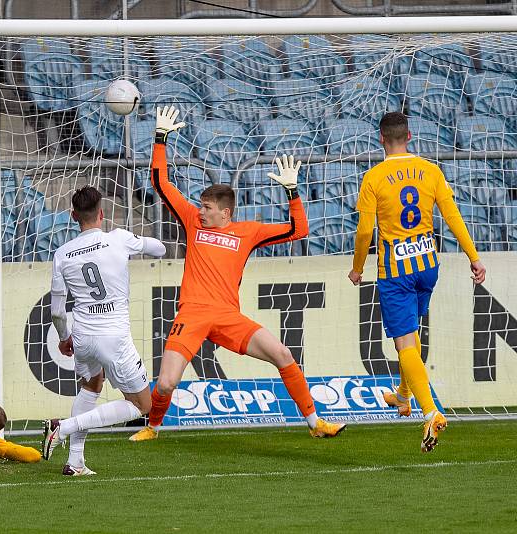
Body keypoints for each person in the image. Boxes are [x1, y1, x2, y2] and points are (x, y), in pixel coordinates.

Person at [130, 106, 347, 442]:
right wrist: (160, 140)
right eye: (200, 206)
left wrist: (292, 192)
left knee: (283, 354)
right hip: (193, 312)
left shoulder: (247, 232)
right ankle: (153, 427)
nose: (200, 211)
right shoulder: (191, 220)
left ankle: (316, 424)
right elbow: (161, 183)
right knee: (167, 383)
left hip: (229, 316)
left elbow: (299, 229)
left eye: (207, 208)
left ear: (224, 213)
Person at [348, 111, 486, 452]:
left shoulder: (374, 177)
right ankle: (404, 396)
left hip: (396, 268)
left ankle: (430, 412)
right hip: (428, 263)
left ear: (381, 139)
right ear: (409, 136)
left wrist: (356, 267)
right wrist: (474, 256)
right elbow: (451, 216)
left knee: (404, 344)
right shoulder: (430, 170)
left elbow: (366, 230)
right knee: (413, 333)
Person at [41, 185, 166, 475]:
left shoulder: (62, 254)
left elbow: (58, 311)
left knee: (90, 387)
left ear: (73, 216)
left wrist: (64, 339)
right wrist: (138, 243)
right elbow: (160, 249)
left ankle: (75, 462)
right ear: (102, 213)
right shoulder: (119, 239)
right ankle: (63, 427)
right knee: (142, 405)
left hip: (83, 336)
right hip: (114, 338)